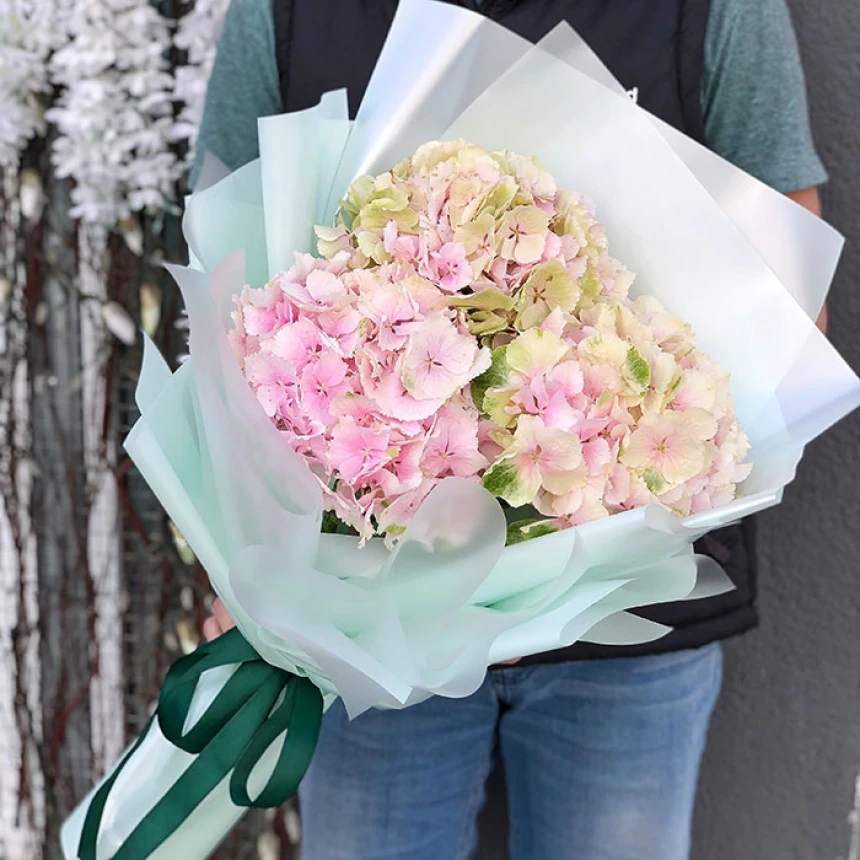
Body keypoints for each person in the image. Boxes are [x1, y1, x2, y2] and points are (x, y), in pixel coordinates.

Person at [196, 1, 828, 857]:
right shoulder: (286, 12)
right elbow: (220, 294)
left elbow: (793, 317)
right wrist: (243, 555)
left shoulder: (720, 10)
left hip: (634, 614)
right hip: (365, 624)